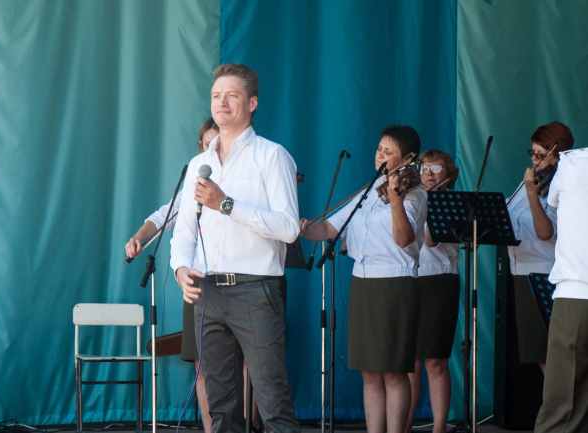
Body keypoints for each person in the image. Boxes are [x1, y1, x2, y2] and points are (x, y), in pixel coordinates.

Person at [171, 63, 301, 433]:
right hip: (208, 293)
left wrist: (226, 204)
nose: (222, 102)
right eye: (216, 95)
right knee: (221, 406)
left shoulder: (272, 156)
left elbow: (289, 228)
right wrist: (180, 268)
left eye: (232, 95)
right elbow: (184, 232)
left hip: (255, 291)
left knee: (273, 400)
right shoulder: (199, 164)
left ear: (252, 103)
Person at [300, 125, 427, 433]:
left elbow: (403, 239)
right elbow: (329, 228)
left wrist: (395, 200)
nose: (379, 155)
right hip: (363, 283)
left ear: (408, 158)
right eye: (379, 149)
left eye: (388, 151)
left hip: (395, 285)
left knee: (393, 371)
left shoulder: (415, 193)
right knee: (369, 372)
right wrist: (303, 228)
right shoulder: (369, 190)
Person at [125, 117, 218, 433]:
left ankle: (250, 424)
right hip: (198, 284)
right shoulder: (192, 186)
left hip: (236, 284)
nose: (212, 150)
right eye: (207, 145)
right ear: (200, 148)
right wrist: (138, 238)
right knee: (202, 365)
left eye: (218, 144)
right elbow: (161, 217)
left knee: (244, 365)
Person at [506, 121, 574, 374]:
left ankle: (559, 400)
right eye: (532, 153)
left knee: (550, 355)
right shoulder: (529, 182)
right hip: (520, 271)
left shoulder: (560, 187)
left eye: (541, 155)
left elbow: (545, 232)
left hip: (543, 272)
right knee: (538, 353)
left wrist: (532, 196)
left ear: (558, 157)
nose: (534, 161)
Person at [405, 150, 460, 433]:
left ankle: (439, 429)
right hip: (411, 280)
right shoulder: (412, 198)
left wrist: (430, 200)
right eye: (424, 168)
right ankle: (404, 425)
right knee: (410, 362)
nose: (429, 174)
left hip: (440, 282)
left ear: (448, 173)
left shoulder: (449, 202)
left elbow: (430, 240)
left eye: (436, 169)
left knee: (435, 362)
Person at [534, 145, 588, 432]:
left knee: (562, 400)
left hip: (577, 292)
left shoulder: (572, 163)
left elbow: (552, 201)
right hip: (576, 292)